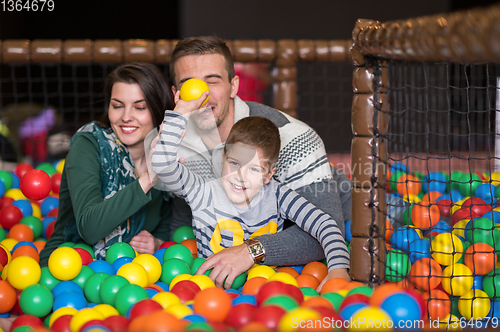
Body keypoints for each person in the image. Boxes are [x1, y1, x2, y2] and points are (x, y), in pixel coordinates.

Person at [165, 36, 353, 289]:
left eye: (212, 80)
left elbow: (327, 229)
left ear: (233, 86)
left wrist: (249, 252)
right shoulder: (183, 145)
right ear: (176, 94)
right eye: (190, 85)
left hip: (346, 219)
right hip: (255, 259)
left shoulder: (293, 138)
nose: (202, 94)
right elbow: (183, 222)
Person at [39, 62, 184, 266]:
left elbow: (162, 220)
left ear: (157, 111)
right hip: (67, 270)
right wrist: (149, 178)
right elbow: (89, 229)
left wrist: (155, 242)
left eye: (139, 107)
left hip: (128, 275)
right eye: (117, 106)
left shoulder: (162, 152)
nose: (126, 117)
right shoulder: (89, 144)